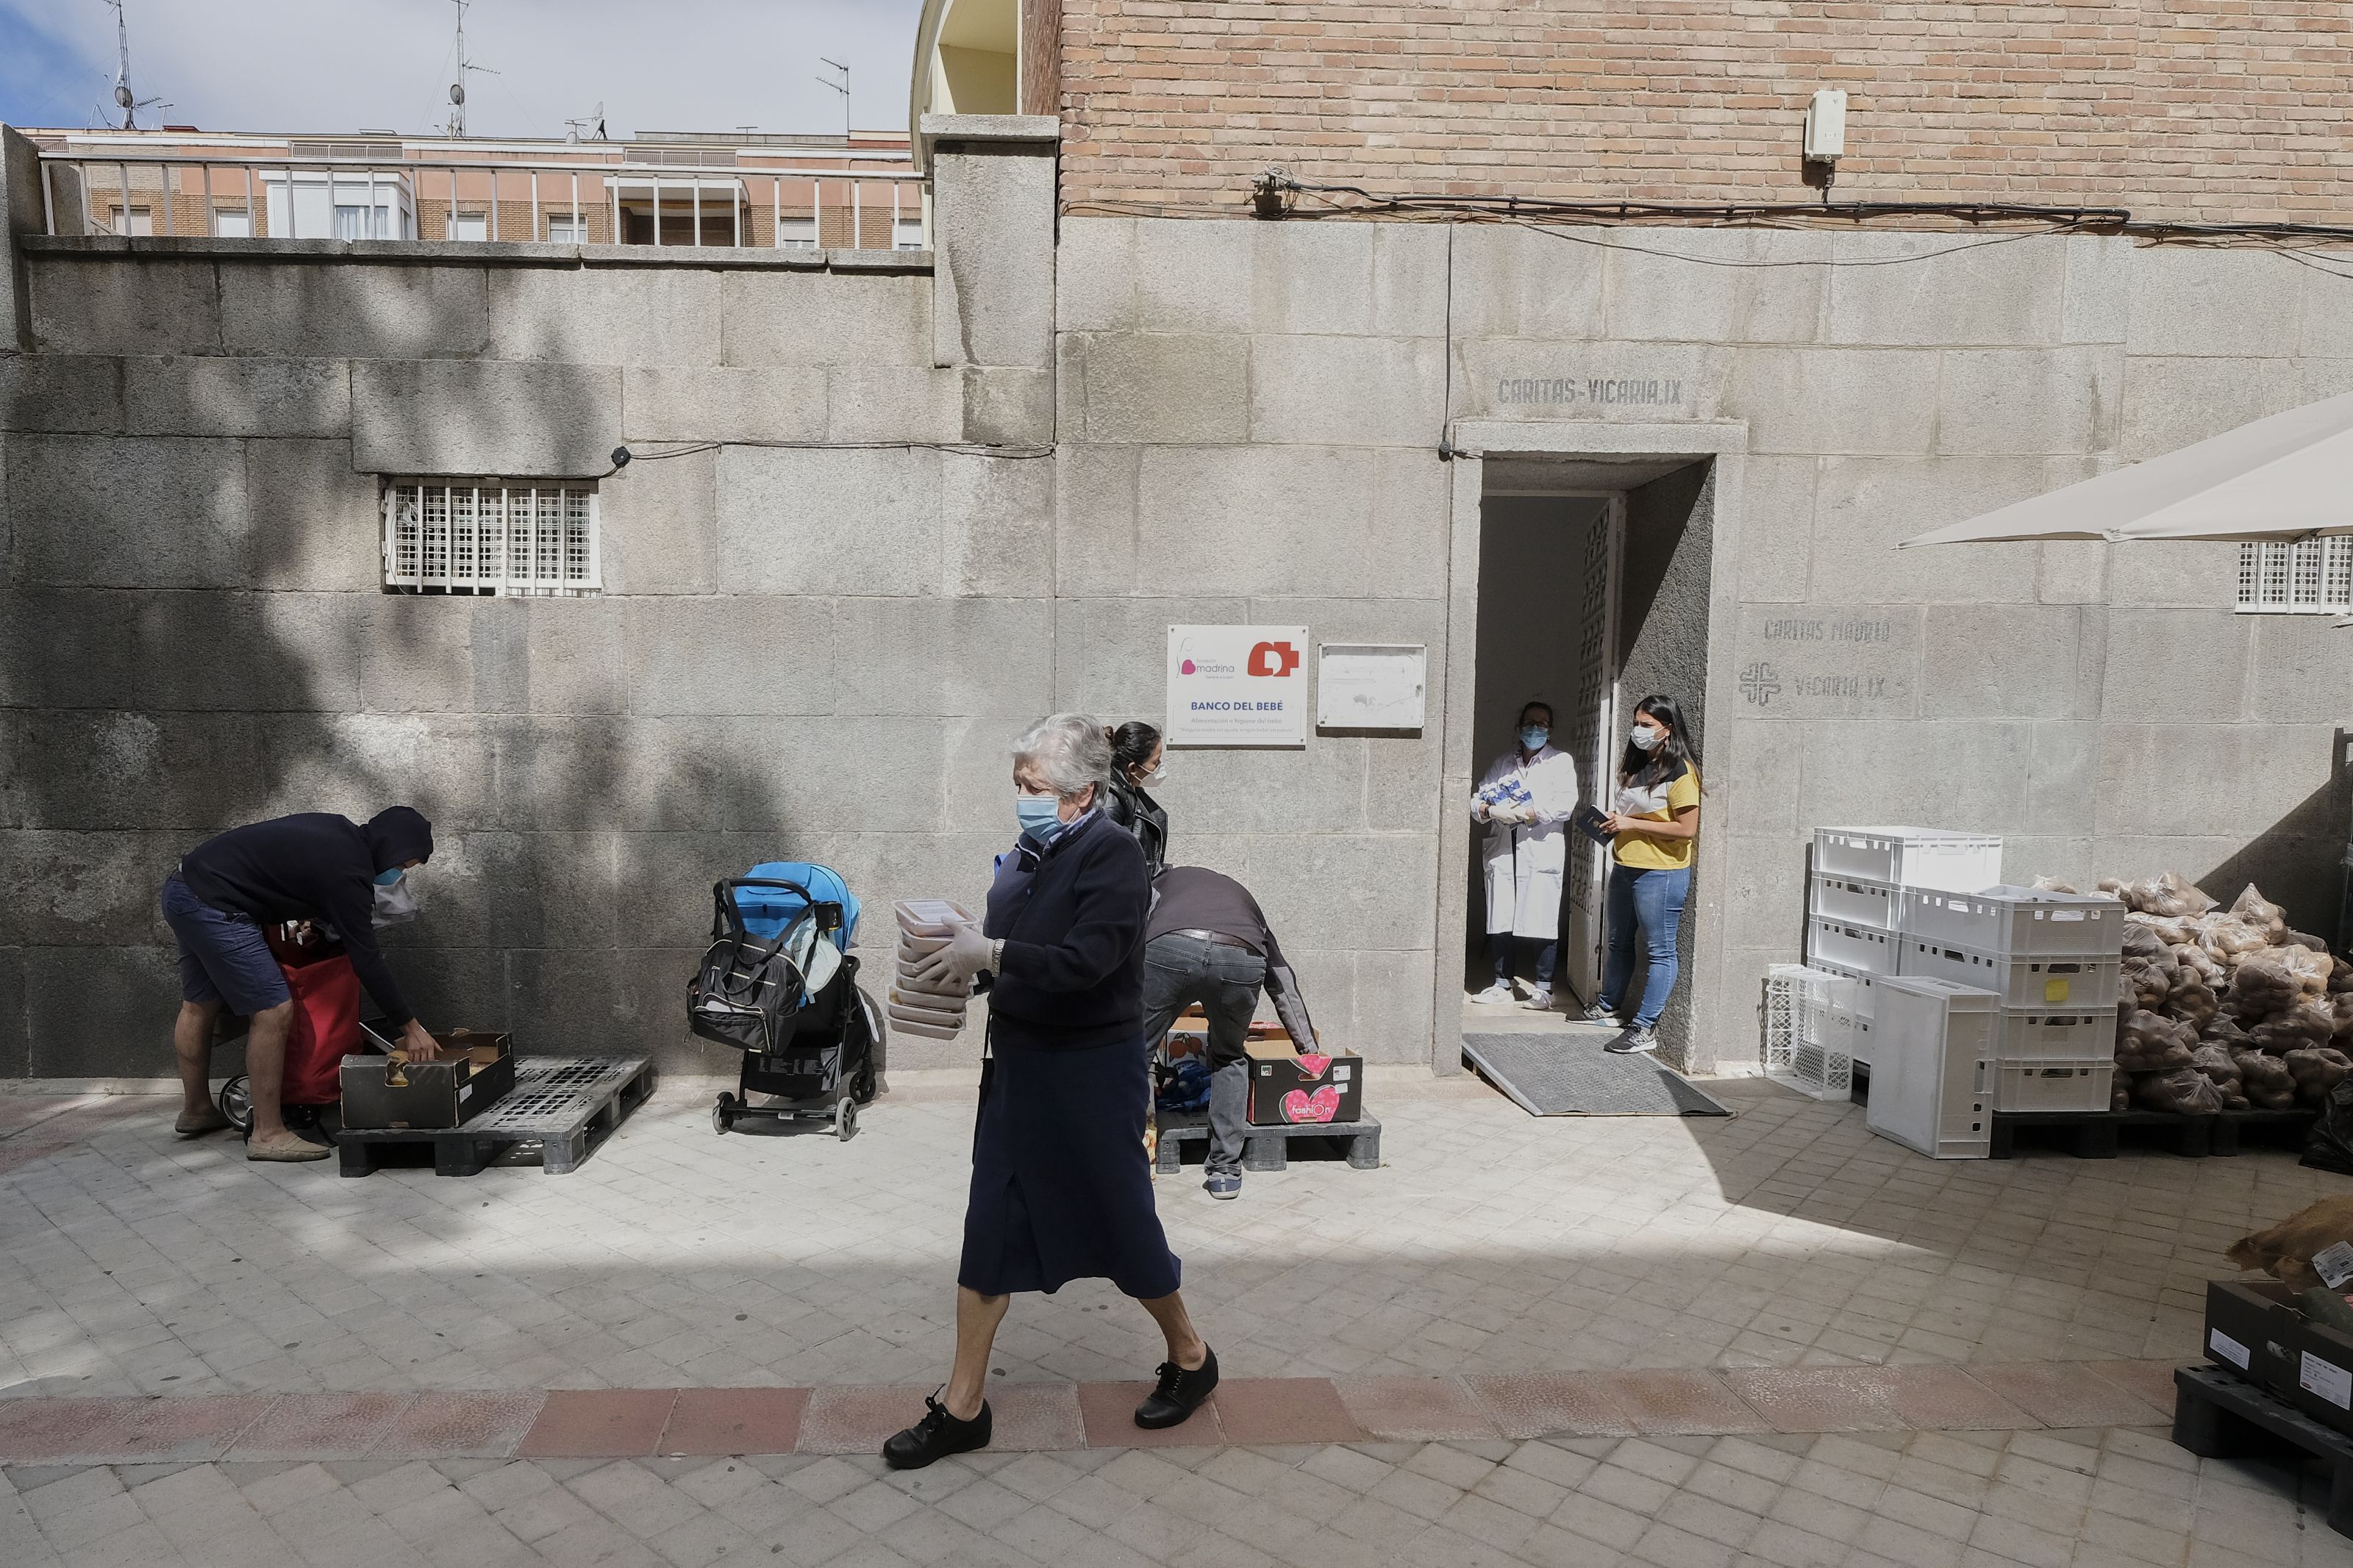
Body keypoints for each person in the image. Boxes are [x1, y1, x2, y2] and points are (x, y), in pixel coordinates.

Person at [882, 715, 1216, 1469]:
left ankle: (1192, 1357)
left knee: (1121, 1222)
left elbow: (1087, 960)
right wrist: (968, 956)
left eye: (1033, 787)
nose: (1021, 798)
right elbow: (1018, 944)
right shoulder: (1034, 851)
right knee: (989, 1229)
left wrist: (994, 951)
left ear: (1081, 794)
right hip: (1021, 1069)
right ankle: (963, 1406)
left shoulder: (1114, 856)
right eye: (1018, 784)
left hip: (1090, 1076)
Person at [161, 808, 443, 1161]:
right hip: (217, 907)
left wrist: (306, 914)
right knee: (274, 1010)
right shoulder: (350, 871)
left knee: (198, 1005)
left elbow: (288, 868)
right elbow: (366, 961)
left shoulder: (339, 832)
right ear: (394, 849)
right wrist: (411, 1027)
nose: (397, 876)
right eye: (403, 866)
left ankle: (197, 1110)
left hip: (184, 887)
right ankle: (267, 1134)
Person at [1140, 865, 1318, 1201]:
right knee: (1228, 1057)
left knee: (1137, 1055)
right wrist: (1307, 1047)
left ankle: (1135, 1164)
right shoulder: (1242, 900)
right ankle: (1225, 1172)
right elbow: (1280, 977)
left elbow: (1128, 938)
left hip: (1172, 949)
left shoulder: (1158, 886)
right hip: (1241, 955)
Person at [1589, 696, 1702, 1055]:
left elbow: (1686, 829)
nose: (1639, 731)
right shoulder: (1637, 765)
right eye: (1636, 723)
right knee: (1618, 942)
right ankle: (1608, 1007)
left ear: (1668, 729)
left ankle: (1644, 1027)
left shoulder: (1682, 772)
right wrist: (1612, 821)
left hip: (1661, 873)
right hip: (1625, 865)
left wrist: (1631, 823)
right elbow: (1633, 814)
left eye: (1647, 725)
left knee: (1660, 951)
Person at [1470, 700, 1580, 1010]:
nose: (1535, 728)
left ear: (1550, 729)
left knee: (1542, 918)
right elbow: (1478, 796)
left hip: (1539, 848)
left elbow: (1565, 805)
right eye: (1530, 722)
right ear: (1518, 727)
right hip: (1505, 847)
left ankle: (1544, 988)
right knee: (1501, 917)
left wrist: (1528, 812)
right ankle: (1501, 983)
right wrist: (1491, 810)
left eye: (1542, 724)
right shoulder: (1503, 763)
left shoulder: (1560, 762)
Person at [1102, 720, 1170, 880]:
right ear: (1133, 768)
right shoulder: (1110, 801)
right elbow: (1111, 862)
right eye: (1155, 762)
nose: (1159, 767)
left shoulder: (1132, 791)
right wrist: (1161, 871)